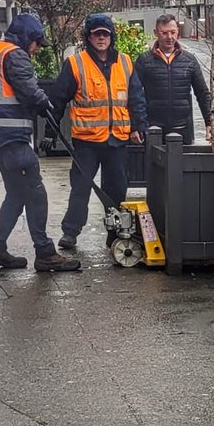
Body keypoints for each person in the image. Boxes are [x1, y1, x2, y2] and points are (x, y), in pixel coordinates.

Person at [0, 13, 80, 272]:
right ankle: (45, 253)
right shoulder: (15, 54)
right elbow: (28, 90)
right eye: (36, 42)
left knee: (16, 194)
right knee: (36, 194)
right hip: (12, 139)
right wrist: (45, 102)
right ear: (26, 38)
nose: (36, 49)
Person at [46, 13, 147, 252]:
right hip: (87, 142)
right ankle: (70, 232)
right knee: (80, 187)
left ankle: (115, 234)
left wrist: (138, 127)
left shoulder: (125, 62)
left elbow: (136, 98)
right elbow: (57, 100)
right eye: (97, 34)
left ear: (111, 37)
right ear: (88, 37)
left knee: (116, 189)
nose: (101, 38)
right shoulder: (75, 63)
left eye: (105, 34)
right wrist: (50, 133)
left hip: (117, 140)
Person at [132, 13, 212, 145]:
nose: (169, 37)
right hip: (152, 130)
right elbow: (134, 94)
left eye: (173, 32)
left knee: (182, 165)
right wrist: (135, 126)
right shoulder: (144, 61)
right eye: (164, 33)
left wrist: (209, 122)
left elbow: (202, 93)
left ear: (177, 32)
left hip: (182, 129)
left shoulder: (189, 60)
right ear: (156, 33)